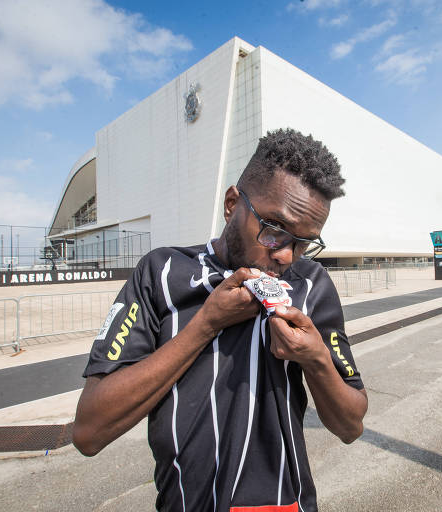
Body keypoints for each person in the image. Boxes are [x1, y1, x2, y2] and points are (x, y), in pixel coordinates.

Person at [73, 128, 367, 511]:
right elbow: (89, 431)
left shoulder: (311, 284)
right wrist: (207, 324)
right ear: (232, 204)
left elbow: (351, 425)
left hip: (285, 503)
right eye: (275, 231)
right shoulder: (160, 273)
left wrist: (315, 360)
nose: (286, 256)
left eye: (303, 242)